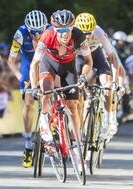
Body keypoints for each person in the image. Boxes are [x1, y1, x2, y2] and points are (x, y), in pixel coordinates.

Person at [29, 9, 93, 170]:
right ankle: (44, 122)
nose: (65, 34)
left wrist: (84, 76)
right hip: (49, 65)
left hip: (69, 68)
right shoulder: (47, 36)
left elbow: (88, 61)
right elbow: (34, 64)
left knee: (73, 107)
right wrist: (35, 87)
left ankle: (77, 148)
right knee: (46, 90)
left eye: (68, 29)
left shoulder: (79, 36)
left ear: (73, 27)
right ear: (54, 29)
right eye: (61, 30)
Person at [8, 10, 48, 168]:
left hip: (45, 66)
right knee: (29, 102)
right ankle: (27, 144)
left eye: (40, 32)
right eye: (34, 33)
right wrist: (20, 78)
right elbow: (11, 61)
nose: (37, 36)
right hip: (26, 69)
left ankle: (51, 128)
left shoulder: (50, 31)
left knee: (50, 93)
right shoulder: (20, 34)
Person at [74, 12, 120, 138]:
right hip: (79, 58)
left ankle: (108, 120)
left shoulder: (99, 32)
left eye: (89, 33)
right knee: (78, 91)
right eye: (83, 33)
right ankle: (78, 129)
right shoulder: (71, 34)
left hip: (96, 54)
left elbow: (113, 58)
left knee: (107, 86)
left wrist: (115, 82)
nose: (87, 37)